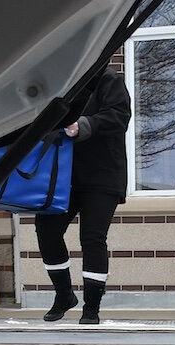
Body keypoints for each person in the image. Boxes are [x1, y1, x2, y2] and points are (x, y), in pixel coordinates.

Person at [37, 64, 131, 324]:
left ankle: (92, 308)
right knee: (46, 229)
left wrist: (84, 125)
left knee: (92, 238)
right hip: (64, 177)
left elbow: (119, 117)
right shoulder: (59, 84)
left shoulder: (108, 80)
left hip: (103, 175)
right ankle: (64, 295)